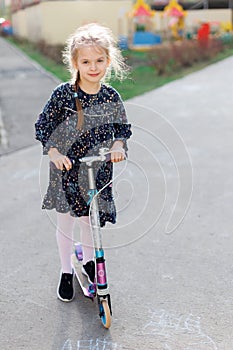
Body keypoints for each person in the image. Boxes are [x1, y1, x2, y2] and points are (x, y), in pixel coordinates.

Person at [35, 23, 132, 302]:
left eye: (99, 60)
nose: (93, 67)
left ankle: (89, 261)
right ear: (75, 63)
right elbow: (44, 126)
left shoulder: (111, 96)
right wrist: (53, 152)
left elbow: (122, 130)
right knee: (66, 222)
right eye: (86, 61)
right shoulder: (64, 94)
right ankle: (66, 271)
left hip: (97, 170)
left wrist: (117, 146)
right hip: (67, 169)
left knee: (89, 222)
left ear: (108, 61)